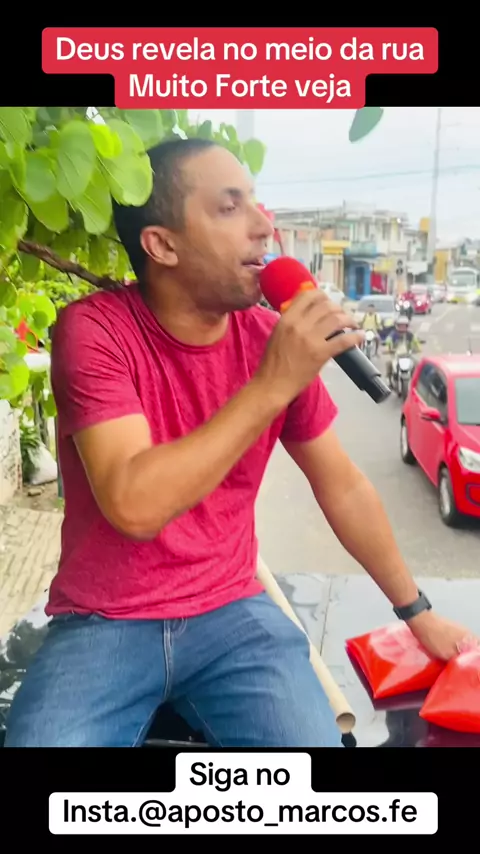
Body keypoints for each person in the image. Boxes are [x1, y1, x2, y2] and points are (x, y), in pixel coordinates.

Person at [5, 138, 473, 749]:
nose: (264, 226)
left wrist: (417, 612)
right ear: (162, 245)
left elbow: (342, 484)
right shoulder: (95, 330)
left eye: (256, 202)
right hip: (103, 621)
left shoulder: (269, 338)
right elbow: (134, 504)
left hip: (233, 615)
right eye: (230, 208)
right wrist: (271, 384)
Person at [385, 316, 421, 385]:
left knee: (417, 364)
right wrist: (388, 349)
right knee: (389, 363)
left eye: (404, 325)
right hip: (396, 355)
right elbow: (388, 340)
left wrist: (418, 348)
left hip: (408, 355)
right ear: (397, 326)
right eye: (400, 325)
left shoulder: (410, 335)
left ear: (407, 326)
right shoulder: (393, 334)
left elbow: (416, 341)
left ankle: (416, 381)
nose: (402, 327)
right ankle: (389, 379)